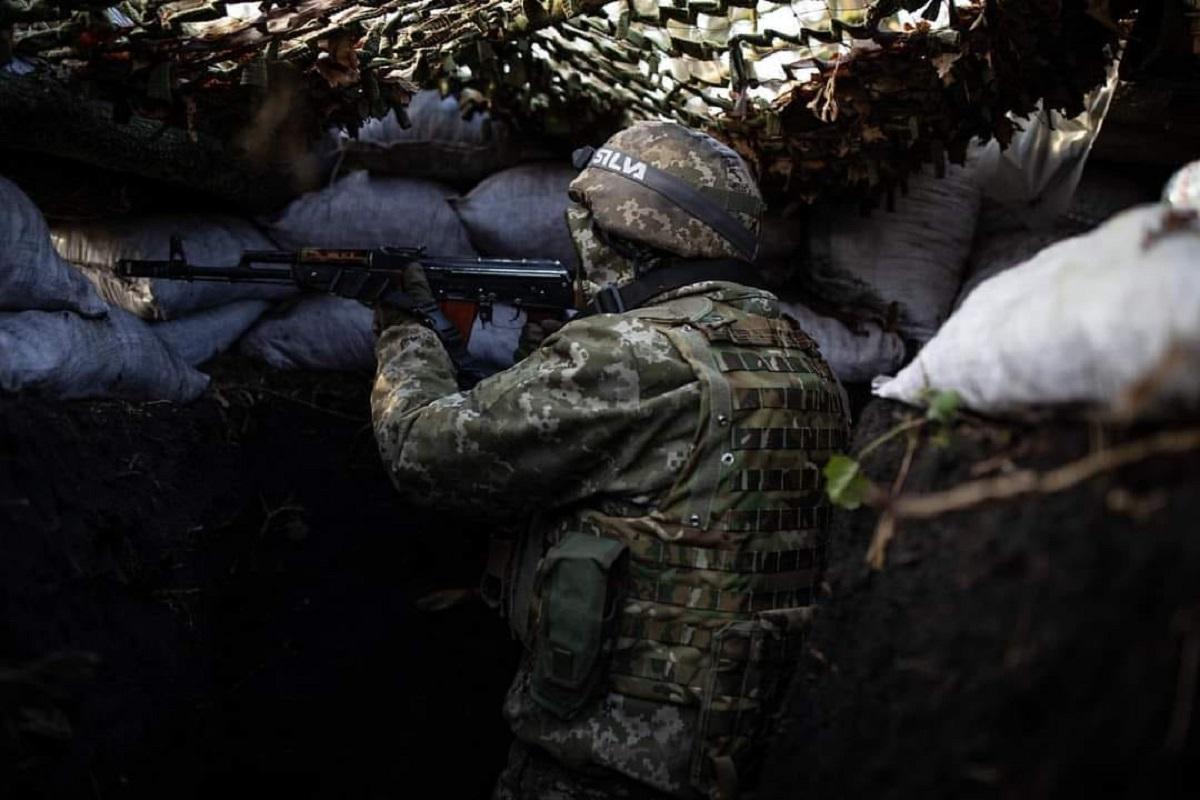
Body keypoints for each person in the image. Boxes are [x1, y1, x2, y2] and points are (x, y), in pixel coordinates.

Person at [370, 120, 850, 799]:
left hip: (607, 757)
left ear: (616, 228)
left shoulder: (629, 352)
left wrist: (403, 329)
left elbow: (426, 454)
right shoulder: (800, 358)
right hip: (740, 749)